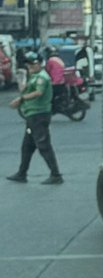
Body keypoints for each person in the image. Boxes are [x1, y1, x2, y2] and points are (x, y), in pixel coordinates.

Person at [7, 51, 63, 185]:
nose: (30, 66)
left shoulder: (42, 77)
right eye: (28, 64)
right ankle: (22, 173)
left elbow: (39, 92)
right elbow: (25, 89)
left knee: (43, 145)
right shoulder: (34, 76)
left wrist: (21, 99)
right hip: (32, 115)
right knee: (27, 146)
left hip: (39, 115)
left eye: (33, 64)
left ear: (39, 63)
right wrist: (22, 80)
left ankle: (56, 175)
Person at [44, 46, 67, 112]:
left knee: (48, 95)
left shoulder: (50, 61)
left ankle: (53, 108)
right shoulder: (59, 60)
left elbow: (47, 71)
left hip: (55, 82)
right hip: (62, 81)